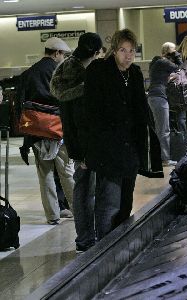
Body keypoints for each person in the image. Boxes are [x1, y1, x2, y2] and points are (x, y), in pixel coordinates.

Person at [80, 28, 162, 246]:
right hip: (108, 149)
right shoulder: (98, 70)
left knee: (125, 203)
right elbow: (90, 113)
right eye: (123, 50)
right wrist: (88, 151)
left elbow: (140, 110)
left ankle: (119, 245)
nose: (127, 55)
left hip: (130, 148)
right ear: (114, 51)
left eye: (132, 51)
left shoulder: (134, 73)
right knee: (109, 202)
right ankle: (104, 247)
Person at [50, 32, 103, 253]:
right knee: (87, 192)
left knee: (82, 190)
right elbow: (88, 116)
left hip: (73, 140)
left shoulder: (63, 70)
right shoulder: (87, 76)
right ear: (95, 52)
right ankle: (89, 238)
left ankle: (84, 239)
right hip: (88, 142)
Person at [19, 37, 75, 225]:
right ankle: (78, 209)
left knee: (45, 174)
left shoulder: (30, 72)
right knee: (67, 172)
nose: (64, 58)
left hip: (36, 129)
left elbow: (21, 102)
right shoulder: (59, 72)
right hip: (58, 129)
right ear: (57, 53)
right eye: (63, 55)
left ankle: (52, 215)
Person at [147, 42, 179, 166]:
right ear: (167, 52)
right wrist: (176, 55)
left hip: (154, 97)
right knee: (163, 129)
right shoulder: (163, 62)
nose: (174, 53)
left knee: (159, 129)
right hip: (159, 97)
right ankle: (164, 159)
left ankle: (157, 158)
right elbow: (180, 67)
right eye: (173, 51)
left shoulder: (157, 63)